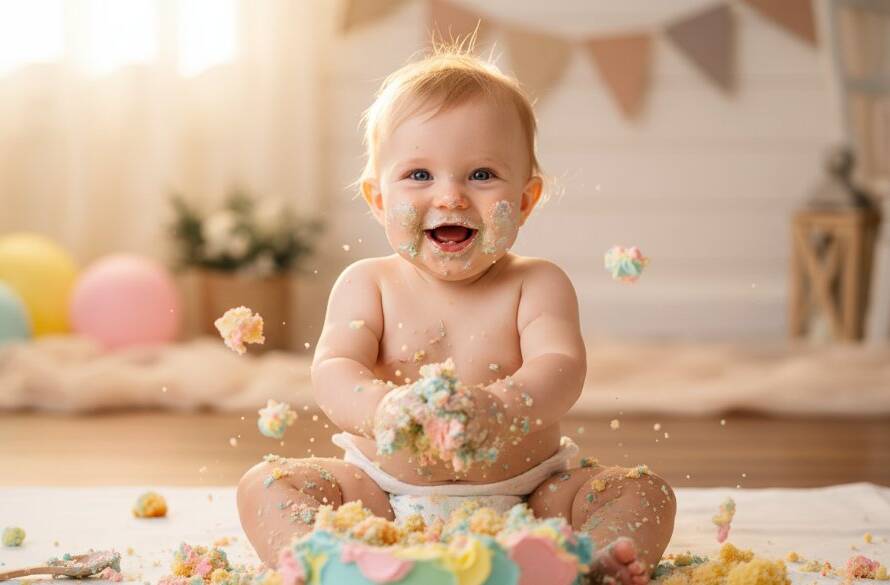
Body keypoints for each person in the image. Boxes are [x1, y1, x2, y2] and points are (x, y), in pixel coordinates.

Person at [238, 41, 675, 585]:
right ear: (377, 199)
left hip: (532, 497)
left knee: (643, 491)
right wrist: (382, 410)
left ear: (525, 200)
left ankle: (593, 564)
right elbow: (334, 371)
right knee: (267, 482)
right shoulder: (367, 284)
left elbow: (561, 366)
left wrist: (499, 406)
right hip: (381, 496)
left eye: (482, 175)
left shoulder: (536, 283)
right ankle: (320, 563)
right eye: (419, 175)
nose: (449, 197)